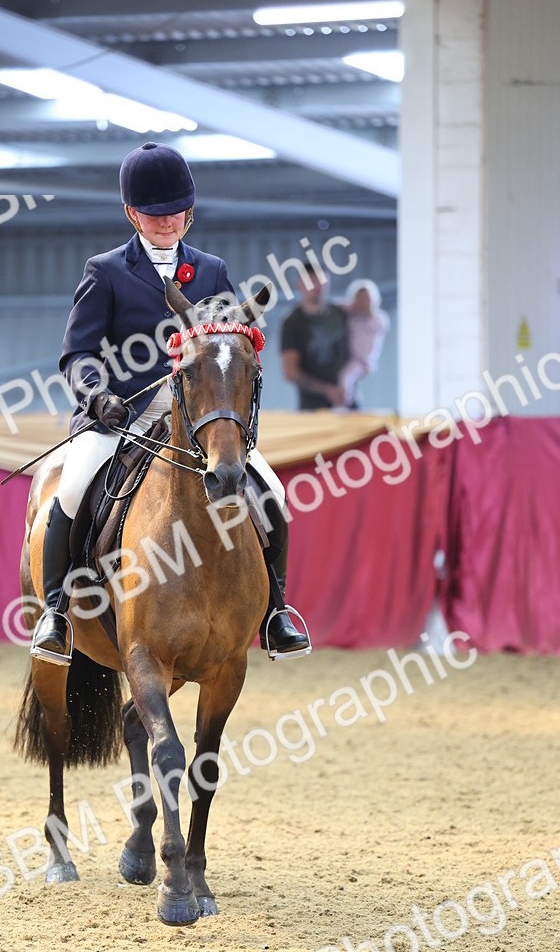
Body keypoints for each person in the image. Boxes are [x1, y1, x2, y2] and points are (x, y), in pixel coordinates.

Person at [30, 141, 311, 664]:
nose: (167, 221)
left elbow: (231, 340)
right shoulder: (105, 271)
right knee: (70, 490)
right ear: (132, 214)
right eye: (154, 213)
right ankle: (56, 613)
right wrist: (97, 396)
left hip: (197, 421)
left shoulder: (211, 270)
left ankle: (276, 611)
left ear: (190, 211)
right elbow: (77, 354)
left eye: (176, 211)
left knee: (271, 490)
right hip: (120, 419)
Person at [280, 262, 351, 410]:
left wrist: (347, 380)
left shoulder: (341, 313)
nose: (317, 286)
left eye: (321, 281)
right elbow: (290, 372)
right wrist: (327, 390)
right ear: (300, 284)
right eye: (311, 281)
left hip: (349, 400)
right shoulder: (292, 322)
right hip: (312, 408)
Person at [337, 279, 390, 406]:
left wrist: (366, 311)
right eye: (359, 299)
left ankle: (345, 403)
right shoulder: (352, 316)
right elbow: (336, 305)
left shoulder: (378, 319)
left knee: (346, 378)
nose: (362, 302)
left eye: (366, 299)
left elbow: (381, 326)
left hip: (363, 361)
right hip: (348, 356)